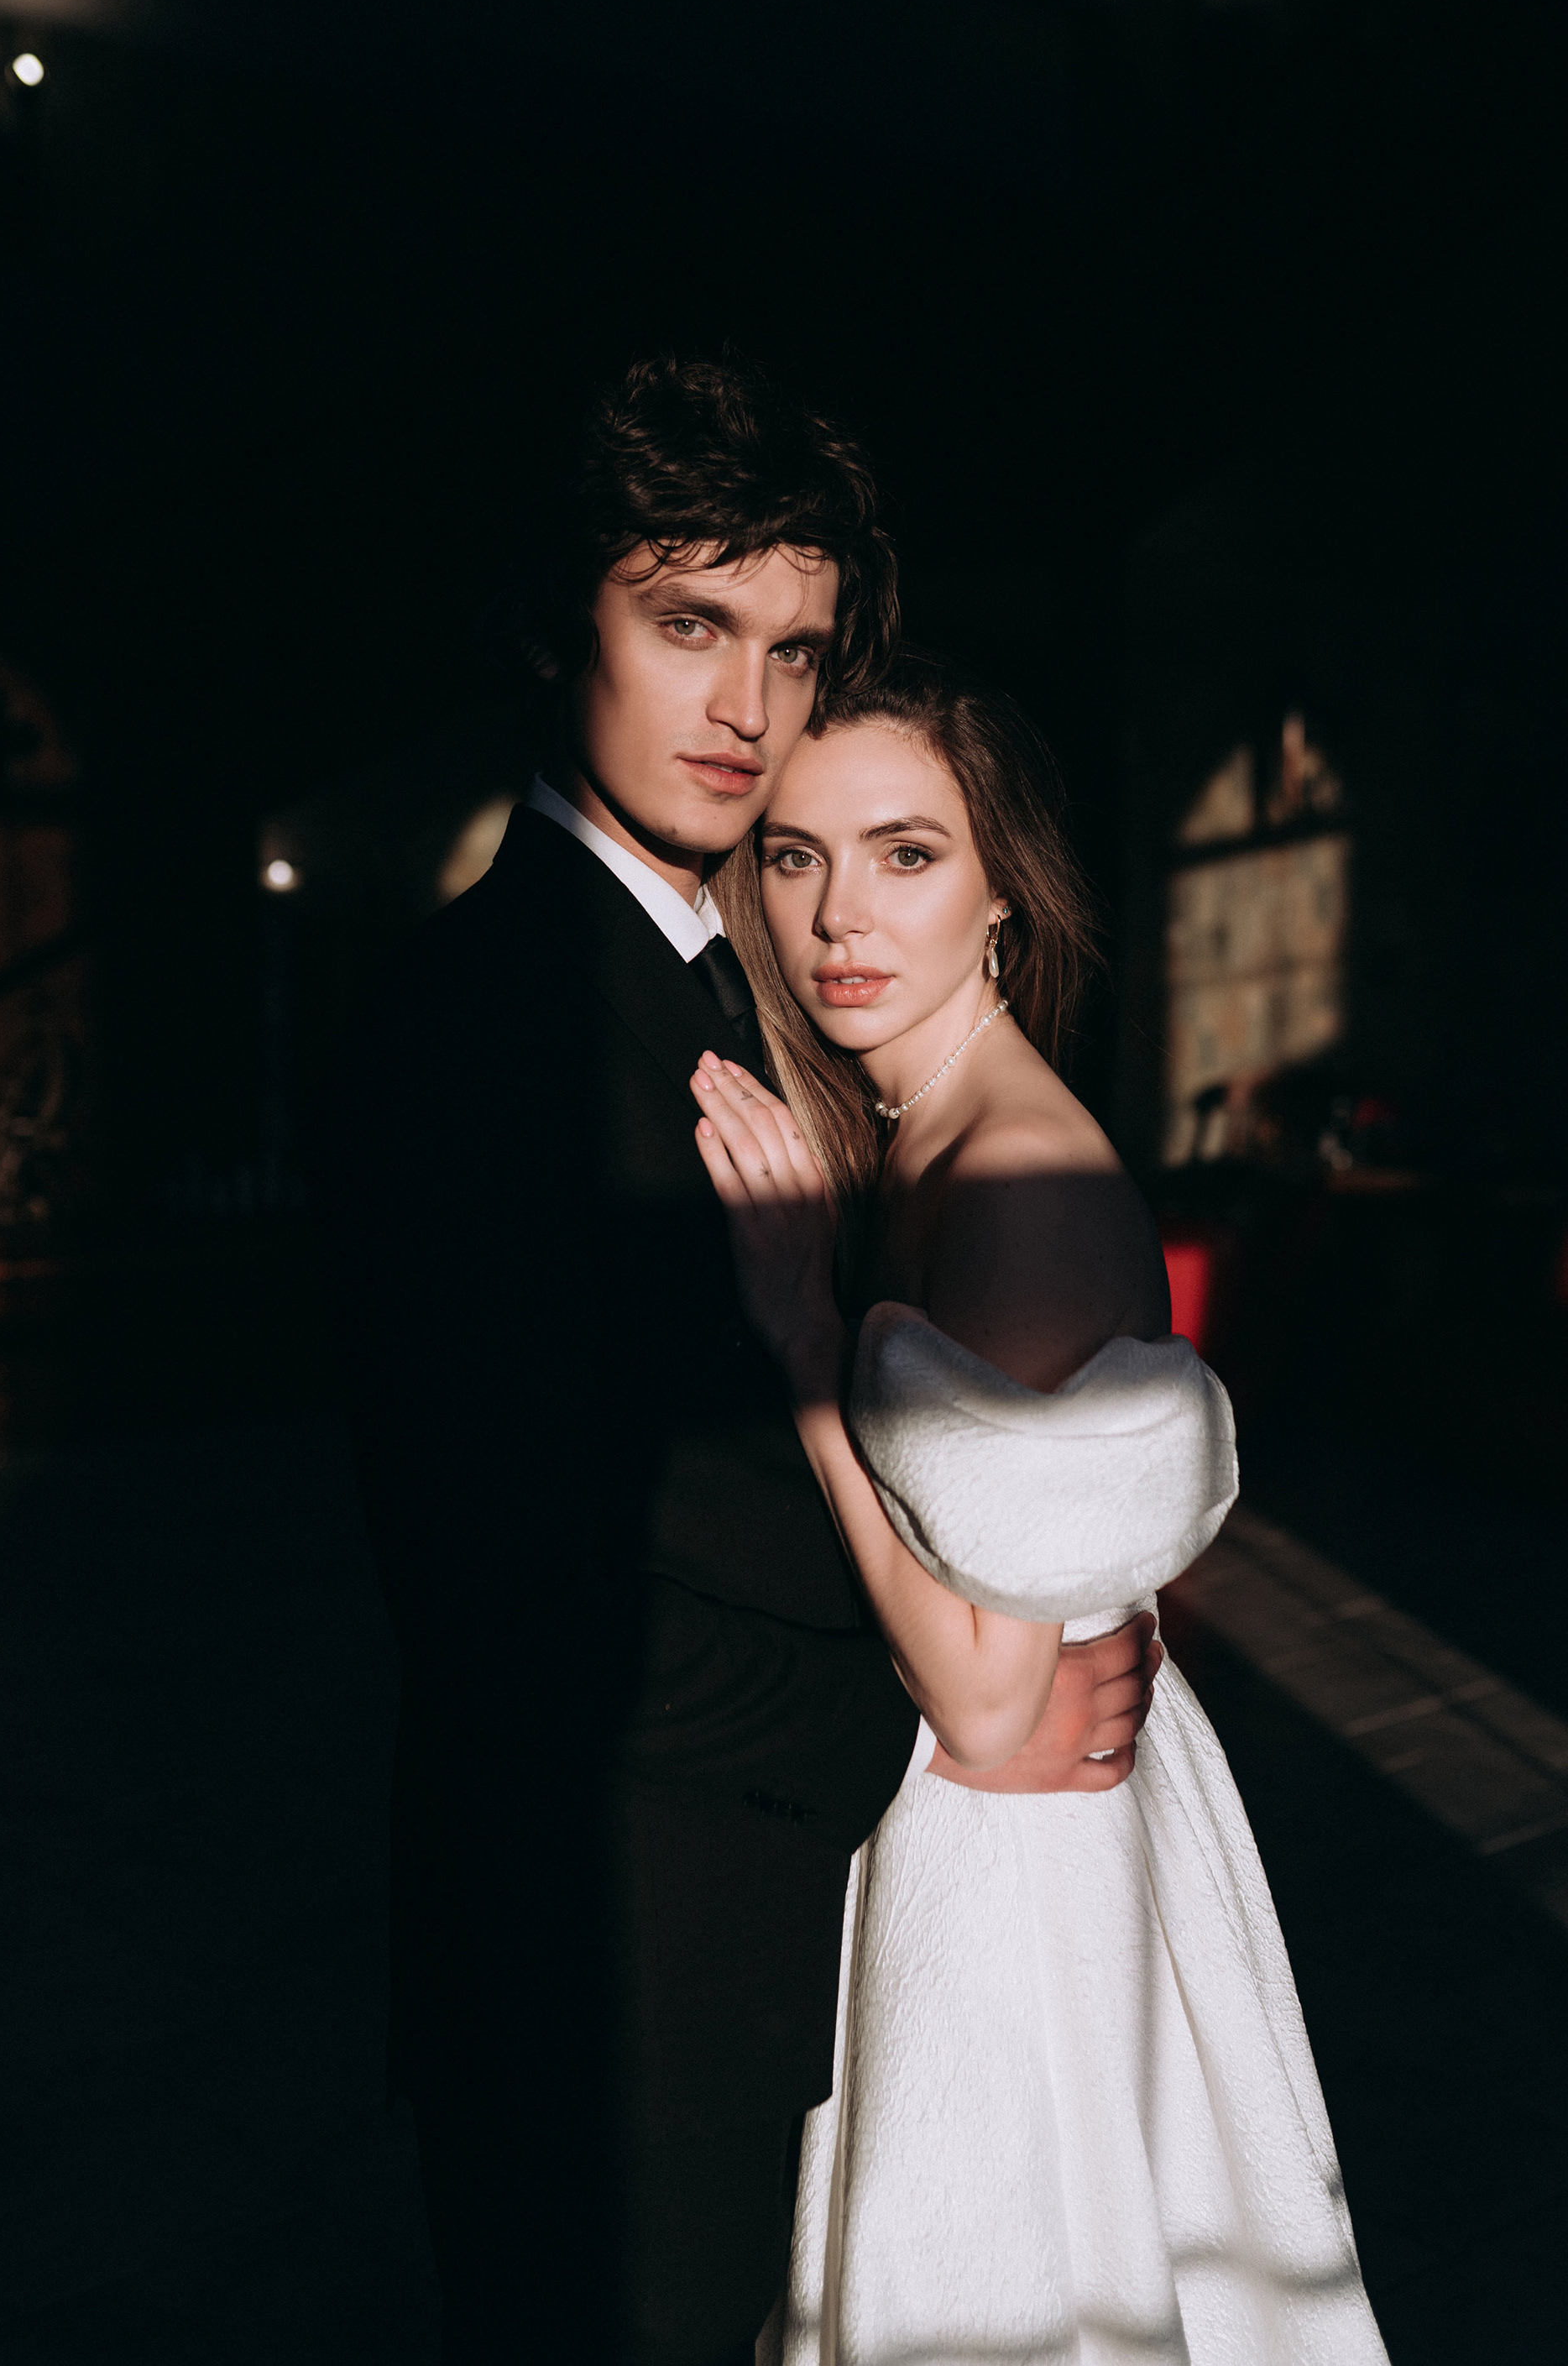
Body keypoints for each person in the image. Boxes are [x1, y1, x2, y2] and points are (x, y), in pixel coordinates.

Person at [315, 360, 1163, 2366]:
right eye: (690, 624)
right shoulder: (473, 1025)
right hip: (607, 1998)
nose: (747, 707)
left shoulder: (753, 984)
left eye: (791, 649)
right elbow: (518, 1614)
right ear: (559, 623)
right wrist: (943, 1729)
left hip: (751, 1962)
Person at [691, 650, 1390, 2364]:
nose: (839, 915)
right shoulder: (919, 1137)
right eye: (795, 856)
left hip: (1015, 1874)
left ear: (1002, 891)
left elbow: (993, 1698)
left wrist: (803, 1339)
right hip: (1004, 1830)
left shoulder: (1013, 1179)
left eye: (907, 853)